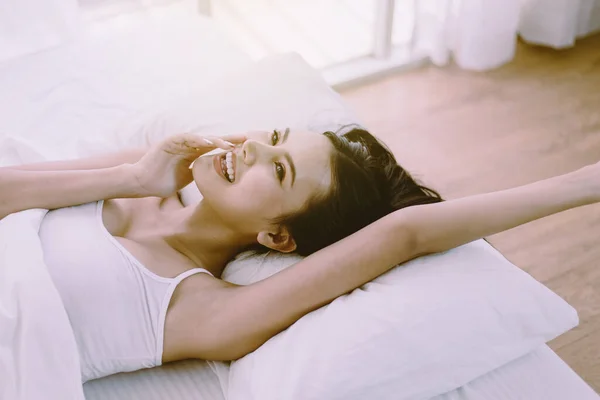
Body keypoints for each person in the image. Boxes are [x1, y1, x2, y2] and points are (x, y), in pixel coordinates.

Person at [0, 126, 597, 381]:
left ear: (278, 239)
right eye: (275, 135)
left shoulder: (200, 310)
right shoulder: (137, 176)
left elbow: (404, 234)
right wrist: (133, 175)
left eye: (278, 166)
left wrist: (580, 185)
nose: (254, 145)